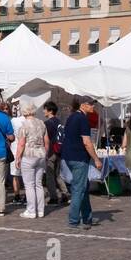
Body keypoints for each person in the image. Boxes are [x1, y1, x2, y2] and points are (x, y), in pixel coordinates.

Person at [63, 96, 102, 229]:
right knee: (79, 189)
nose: (93, 106)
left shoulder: (71, 117)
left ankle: (87, 218)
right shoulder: (82, 119)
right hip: (79, 157)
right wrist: (96, 159)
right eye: (90, 104)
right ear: (83, 105)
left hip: (69, 156)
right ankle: (74, 220)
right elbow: (87, 142)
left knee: (83, 187)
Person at [14, 102, 49, 219]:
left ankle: (31, 210)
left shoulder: (24, 125)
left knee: (29, 185)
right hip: (41, 154)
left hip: (28, 155)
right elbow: (46, 141)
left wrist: (17, 157)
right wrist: (46, 153)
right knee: (38, 184)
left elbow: (21, 143)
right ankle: (40, 210)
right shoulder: (42, 123)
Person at [42, 101, 69, 205]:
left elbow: (46, 139)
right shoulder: (59, 122)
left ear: (50, 111)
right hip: (59, 151)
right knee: (57, 175)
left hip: (51, 151)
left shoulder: (47, 123)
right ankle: (65, 193)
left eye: (45, 109)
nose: (44, 111)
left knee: (49, 175)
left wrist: (46, 152)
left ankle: (53, 197)